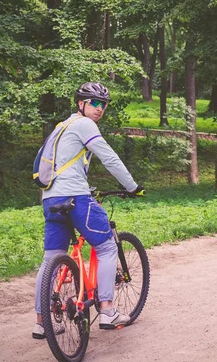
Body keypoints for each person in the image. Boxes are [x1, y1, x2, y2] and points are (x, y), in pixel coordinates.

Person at [33, 82, 142, 339]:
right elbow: (109, 157)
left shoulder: (61, 127)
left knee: (51, 260)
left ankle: (41, 322)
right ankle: (107, 310)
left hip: (50, 200)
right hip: (75, 196)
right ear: (80, 104)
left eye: (103, 104)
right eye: (94, 102)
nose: (99, 108)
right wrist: (133, 186)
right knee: (106, 247)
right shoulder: (84, 125)